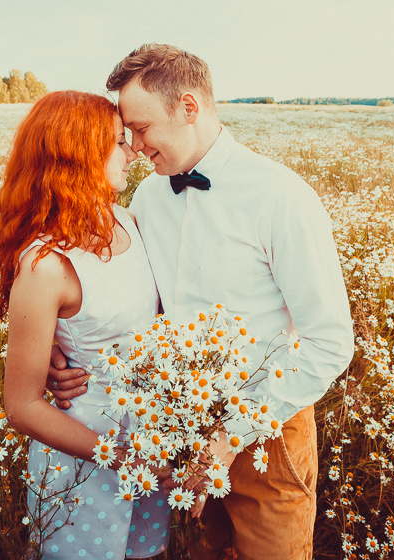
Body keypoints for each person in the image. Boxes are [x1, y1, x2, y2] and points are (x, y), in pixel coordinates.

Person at [48, 45, 355, 560]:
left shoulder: (280, 197)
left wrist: (233, 433)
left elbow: (329, 343)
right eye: (128, 133)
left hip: (269, 429)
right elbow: (126, 298)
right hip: (181, 428)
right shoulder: (145, 200)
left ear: (189, 108)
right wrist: (62, 351)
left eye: (142, 129)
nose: (135, 145)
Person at [0, 90, 170, 560]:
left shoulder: (126, 219)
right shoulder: (46, 264)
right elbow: (22, 406)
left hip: (147, 436)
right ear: (77, 157)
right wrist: (125, 458)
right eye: (116, 143)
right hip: (86, 450)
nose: (131, 150)